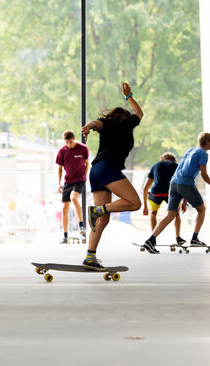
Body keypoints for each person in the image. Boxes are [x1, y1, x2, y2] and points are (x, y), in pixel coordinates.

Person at [81, 82, 142, 269]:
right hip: (108, 169)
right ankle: (98, 210)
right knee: (135, 203)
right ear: (124, 116)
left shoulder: (107, 123)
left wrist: (88, 127)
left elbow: (96, 124)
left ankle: (90, 257)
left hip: (96, 170)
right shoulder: (128, 122)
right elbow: (139, 112)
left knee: (103, 219)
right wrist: (128, 95)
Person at [142, 132, 210, 254]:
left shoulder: (190, 150)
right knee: (202, 209)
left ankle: (150, 240)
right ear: (207, 142)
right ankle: (195, 238)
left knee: (170, 215)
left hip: (173, 184)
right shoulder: (203, 154)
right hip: (185, 184)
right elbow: (204, 174)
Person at [142, 152, 187, 245]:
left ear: (162, 159)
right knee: (176, 214)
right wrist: (184, 202)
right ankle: (178, 238)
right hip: (170, 193)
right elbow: (184, 184)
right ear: (174, 160)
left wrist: (145, 206)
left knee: (153, 213)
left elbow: (145, 188)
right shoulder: (176, 165)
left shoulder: (155, 166)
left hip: (156, 193)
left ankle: (152, 238)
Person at [56, 130, 89, 243]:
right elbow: (60, 168)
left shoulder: (83, 148)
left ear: (74, 138)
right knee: (64, 208)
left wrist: (85, 175)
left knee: (74, 198)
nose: (69, 144)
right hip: (68, 181)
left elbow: (86, 162)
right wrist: (59, 182)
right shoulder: (62, 151)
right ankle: (65, 236)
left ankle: (81, 226)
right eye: (67, 142)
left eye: (70, 142)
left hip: (80, 179)